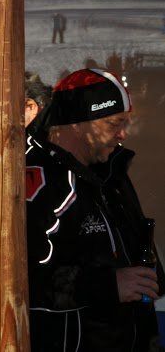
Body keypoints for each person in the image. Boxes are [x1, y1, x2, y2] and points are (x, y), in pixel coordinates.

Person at [25, 68, 165, 351]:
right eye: (114, 123)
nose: (123, 134)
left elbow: (138, 269)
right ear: (78, 123)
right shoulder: (43, 178)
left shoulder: (109, 174)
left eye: (126, 123)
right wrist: (108, 285)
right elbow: (23, 280)